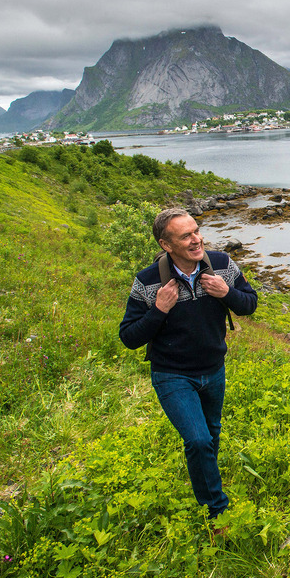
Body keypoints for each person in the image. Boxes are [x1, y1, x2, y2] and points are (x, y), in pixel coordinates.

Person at [119, 208, 257, 520]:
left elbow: (250, 304)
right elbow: (129, 337)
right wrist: (159, 309)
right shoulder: (147, 281)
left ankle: (206, 479)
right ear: (166, 245)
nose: (197, 240)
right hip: (172, 374)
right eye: (186, 236)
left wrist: (227, 293)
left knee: (211, 435)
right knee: (198, 439)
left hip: (213, 369)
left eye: (196, 231)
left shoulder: (221, 264)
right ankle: (216, 510)